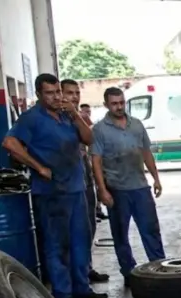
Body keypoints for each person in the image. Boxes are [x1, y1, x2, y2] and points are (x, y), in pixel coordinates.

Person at [1, 73, 108, 298]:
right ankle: (63, 294)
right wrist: (38, 167)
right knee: (56, 245)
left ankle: (82, 288)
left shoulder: (66, 116)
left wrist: (75, 114)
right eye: (50, 93)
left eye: (58, 92)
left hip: (76, 187)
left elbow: (89, 139)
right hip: (50, 192)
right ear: (39, 94)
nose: (56, 97)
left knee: (80, 240)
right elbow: (10, 144)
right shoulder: (31, 118)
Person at [91, 87, 166, 287]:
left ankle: (159, 268)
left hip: (140, 187)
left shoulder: (136, 125)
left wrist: (156, 178)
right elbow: (96, 161)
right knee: (120, 234)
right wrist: (102, 189)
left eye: (121, 103)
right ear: (106, 105)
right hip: (116, 189)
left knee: (150, 230)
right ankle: (128, 273)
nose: (119, 107)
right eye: (114, 103)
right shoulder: (99, 130)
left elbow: (146, 153)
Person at [61, 80, 110, 284]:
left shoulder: (77, 118)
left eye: (76, 93)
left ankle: (85, 268)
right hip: (64, 183)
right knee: (69, 234)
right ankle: (73, 277)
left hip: (84, 175)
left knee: (88, 226)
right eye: (69, 93)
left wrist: (76, 115)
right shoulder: (56, 118)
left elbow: (90, 139)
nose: (74, 97)